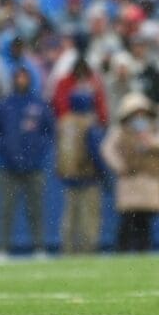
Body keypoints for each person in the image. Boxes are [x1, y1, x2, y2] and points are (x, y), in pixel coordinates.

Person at [0, 66, 55, 258]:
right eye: (18, 77)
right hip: (8, 167)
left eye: (24, 77)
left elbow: (48, 132)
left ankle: (39, 247)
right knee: (6, 209)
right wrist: (5, 152)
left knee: (36, 209)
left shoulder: (39, 104)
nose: (21, 80)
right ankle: (2, 248)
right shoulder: (4, 105)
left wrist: (38, 154)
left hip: (34, 166)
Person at [100, 91, 159, 252]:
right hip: (129, 179)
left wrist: (151, 142)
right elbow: (107, 149)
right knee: (128, 219)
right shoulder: (120, 130)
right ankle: (122, 250)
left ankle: (143, 250)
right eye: (135, 112)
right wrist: (119, 166)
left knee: (145, 220)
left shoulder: (155, 127)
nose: (139, 116)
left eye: (142, 112)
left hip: (150, 179)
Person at [55, 91, 107, 254]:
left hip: (69, 176)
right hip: (88, 176)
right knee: (89, 218)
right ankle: (87, 251)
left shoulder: (64, 122)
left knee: (70, 217)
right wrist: (104, 175)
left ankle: (67, 250)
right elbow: (95, 151)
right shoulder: (88, 124)